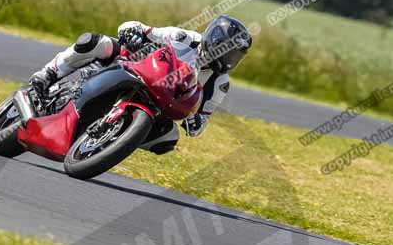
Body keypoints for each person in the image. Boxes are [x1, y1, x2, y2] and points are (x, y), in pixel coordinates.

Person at [28, 15, 252, 153]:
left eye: (236, 56)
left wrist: (194, 120)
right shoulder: (184, 38)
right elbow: (138, 28)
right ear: (215, 40)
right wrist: (133, 33)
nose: (231, 59)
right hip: (135, 71)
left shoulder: (220, 83)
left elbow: (201, 123)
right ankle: (47, 74)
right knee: (98, 43)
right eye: (229, 51)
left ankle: (113, 142)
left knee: (167, 138)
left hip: (160, 106)